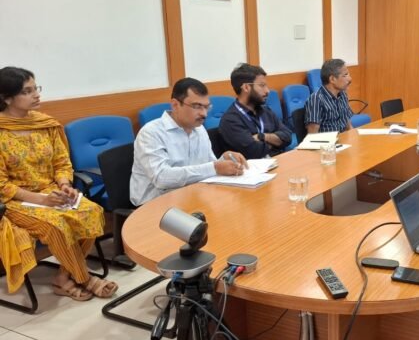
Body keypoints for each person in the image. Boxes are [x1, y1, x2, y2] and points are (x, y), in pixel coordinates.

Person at [0, 66, 118, 301]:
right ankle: (85, 278)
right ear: (7, 98)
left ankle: (63, 277)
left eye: (36, 88)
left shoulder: (46, 124)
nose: (36, 95)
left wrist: (64, 185)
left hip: (51, 192)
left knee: (92, 211)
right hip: (16, 201)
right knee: (57, 226)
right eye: (27, 91)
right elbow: (2, 185)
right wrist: (41, 200)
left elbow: (62, 162)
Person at [130, 77, 247, 206]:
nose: (204, 114)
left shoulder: (199, 129)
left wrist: (223, 160)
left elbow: (208, 168)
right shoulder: (151, 133)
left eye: (207, 107)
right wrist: (215, 167)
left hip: (192, 197)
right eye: (197, 106)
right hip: (154, 205)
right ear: (175, 105)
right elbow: (161, 178)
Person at [219, 64, 292, 159]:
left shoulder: (266, 111)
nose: (267, 91)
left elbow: (288, 137)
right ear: (246, 87)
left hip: (278, 160)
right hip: (254, 167)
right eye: (262, 85)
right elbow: (254, 151)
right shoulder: (230, 120)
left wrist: (262, 136)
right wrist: (277, 142)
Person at [305, 59, 354, 134]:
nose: (350, 79)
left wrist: (355, 136)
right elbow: (312, 135)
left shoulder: (343, 95)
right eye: (345, 75)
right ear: (332, 79)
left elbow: (349, 126)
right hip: (327, 141)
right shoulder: (316, 99)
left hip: (343, 139)